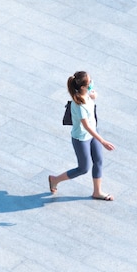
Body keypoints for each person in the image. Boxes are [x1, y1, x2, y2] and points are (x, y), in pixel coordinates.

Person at [48, 71, 116, 201]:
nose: (92, 83)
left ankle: (97, 192)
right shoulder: (78, 105)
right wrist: (102, 141)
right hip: (81, 139)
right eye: (89, 82)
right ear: (83, 87)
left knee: (99, 161)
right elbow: (86, 126)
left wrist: (93, 96)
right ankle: (55, 180)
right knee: (83, 168)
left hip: (93, 134)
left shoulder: (86, 95)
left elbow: (92, 96)